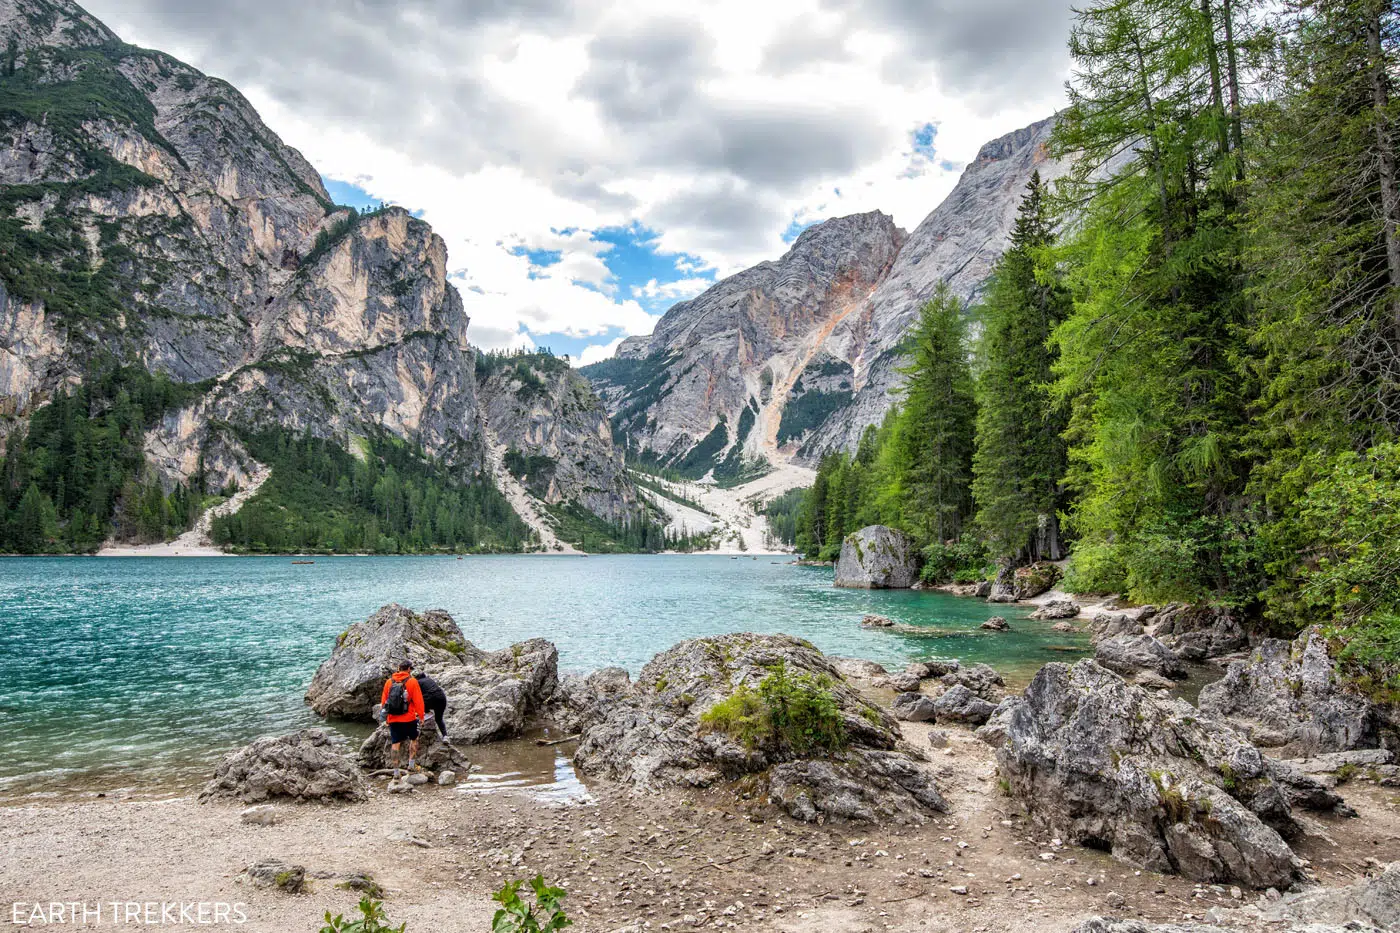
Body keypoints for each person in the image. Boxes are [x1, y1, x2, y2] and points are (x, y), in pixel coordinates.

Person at [379, 661, 424, 778]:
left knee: (395, 744)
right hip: (409, 718)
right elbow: (418, 701)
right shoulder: (413, 681)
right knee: (414, 739)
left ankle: (396, 772)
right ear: (409, 669)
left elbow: (384, 702)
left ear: (399, 668)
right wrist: (421, 716)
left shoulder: (389, 682)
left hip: (393, 719)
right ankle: (411, 765)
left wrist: (385, 718)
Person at [415, 669, 449, 739]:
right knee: (439, 719)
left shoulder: (418, 682)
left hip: (430, 699)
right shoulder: (429, 680)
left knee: (417, 702)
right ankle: (445, 736)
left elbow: (416, 696)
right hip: (442, 698)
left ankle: (427, 713)